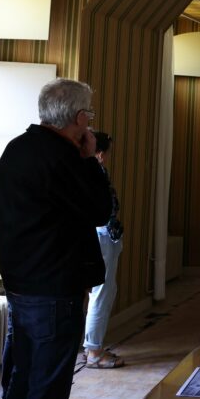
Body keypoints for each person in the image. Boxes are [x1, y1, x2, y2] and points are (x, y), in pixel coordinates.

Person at [0, 78, 112, 399]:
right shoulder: (65, 158)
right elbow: (100, 211)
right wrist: (91, 161)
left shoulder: (17, 147)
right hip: (54, 287)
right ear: (79, 118)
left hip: (19, 281)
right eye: (89, 114)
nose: (90, 122)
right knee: (48, 385)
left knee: (25, 376)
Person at [83, 132, 124, 369]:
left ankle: (92, 346)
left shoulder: (89, 171)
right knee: (102, 291)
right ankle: (94, 350)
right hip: (102, 235)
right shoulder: (96, 172)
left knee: (104, 290)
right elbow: (106, 208)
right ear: (100, 153)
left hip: (102, 235)